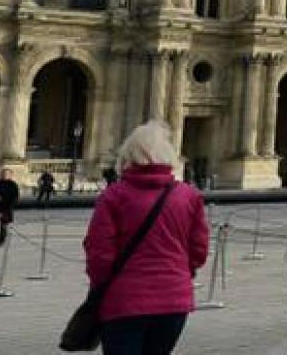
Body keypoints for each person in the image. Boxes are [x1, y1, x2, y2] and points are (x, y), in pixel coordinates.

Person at [83, 121, 208, 355]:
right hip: (174, 300)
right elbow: (199, 249)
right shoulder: (189, 196)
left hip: (124, 301)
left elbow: (99, 252)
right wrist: (179, 273)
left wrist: (101, 286)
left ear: (129, 155)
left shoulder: (114, 196)